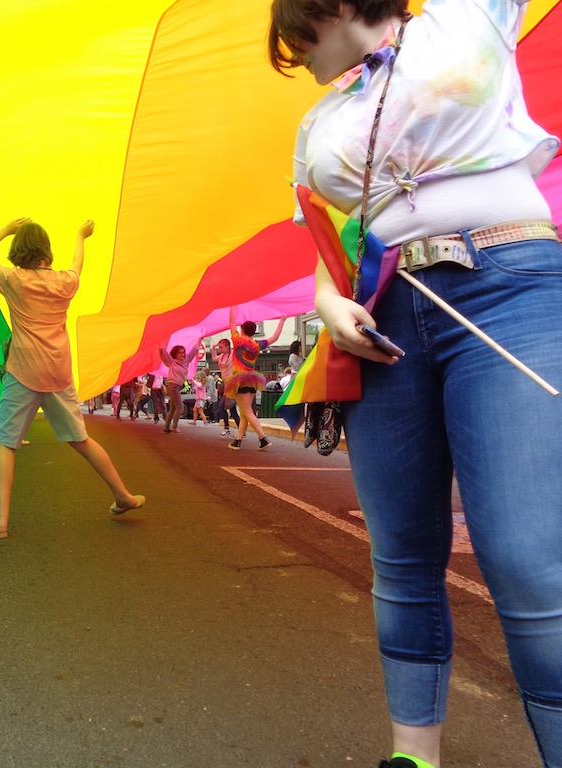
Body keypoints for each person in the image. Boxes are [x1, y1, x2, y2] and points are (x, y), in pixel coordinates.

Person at [268, 1, 562, 767]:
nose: (295, 60)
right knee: (400, 551)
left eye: (292, 42)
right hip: (384, 319)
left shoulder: (470, 16)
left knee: (529, 557)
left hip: (511, 286)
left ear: (320, 11)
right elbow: (328, 252)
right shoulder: (316, 127)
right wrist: (331, 307)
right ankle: (414, 755)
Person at [0, 218, 144, 539]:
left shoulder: (12, 279)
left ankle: (0, 523)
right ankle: (123, 495)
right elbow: (78, 264)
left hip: (23, 371)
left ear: (18, 250)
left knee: (6, 444)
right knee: (81, 439)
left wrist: (6, 229)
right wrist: (81, 235)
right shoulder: (65, 282)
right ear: (47, 251)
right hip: (59, 372)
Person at [225, 307, 286, 450]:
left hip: (239, 380)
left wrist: (233, 305)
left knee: (246, 411)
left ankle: (263, 438)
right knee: (245, 412)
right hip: (252, 380)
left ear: (242, 329)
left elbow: (231, 320)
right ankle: (238, 441)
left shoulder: (237, 340)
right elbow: (275, 337)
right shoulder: (257, 345)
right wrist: (282, 320)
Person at [158, 339, 202, 434]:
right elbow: (163, 354)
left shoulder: (186, 361)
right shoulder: (171, 362)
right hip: (172, 387)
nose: (182, 354)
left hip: (177, 387)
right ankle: (174, 428)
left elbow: (194, 351)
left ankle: (166, 427)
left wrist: (200, 340)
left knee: (173, 408)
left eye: (183, 352)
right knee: (180, 408)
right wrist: (160, 345)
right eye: (180, 353)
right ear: (175, 354)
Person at [212, 338, 240, 436]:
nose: (220, 349)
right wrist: (213, 348)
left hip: (232, 384)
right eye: (219, 347)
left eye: (221, 347)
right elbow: (214, 358)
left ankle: (228, 428)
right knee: (231, 409)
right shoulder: (222, 356)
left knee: (223, 406)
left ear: (228, 346)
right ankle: (239, 429)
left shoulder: (233, 354)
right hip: (225, 384)